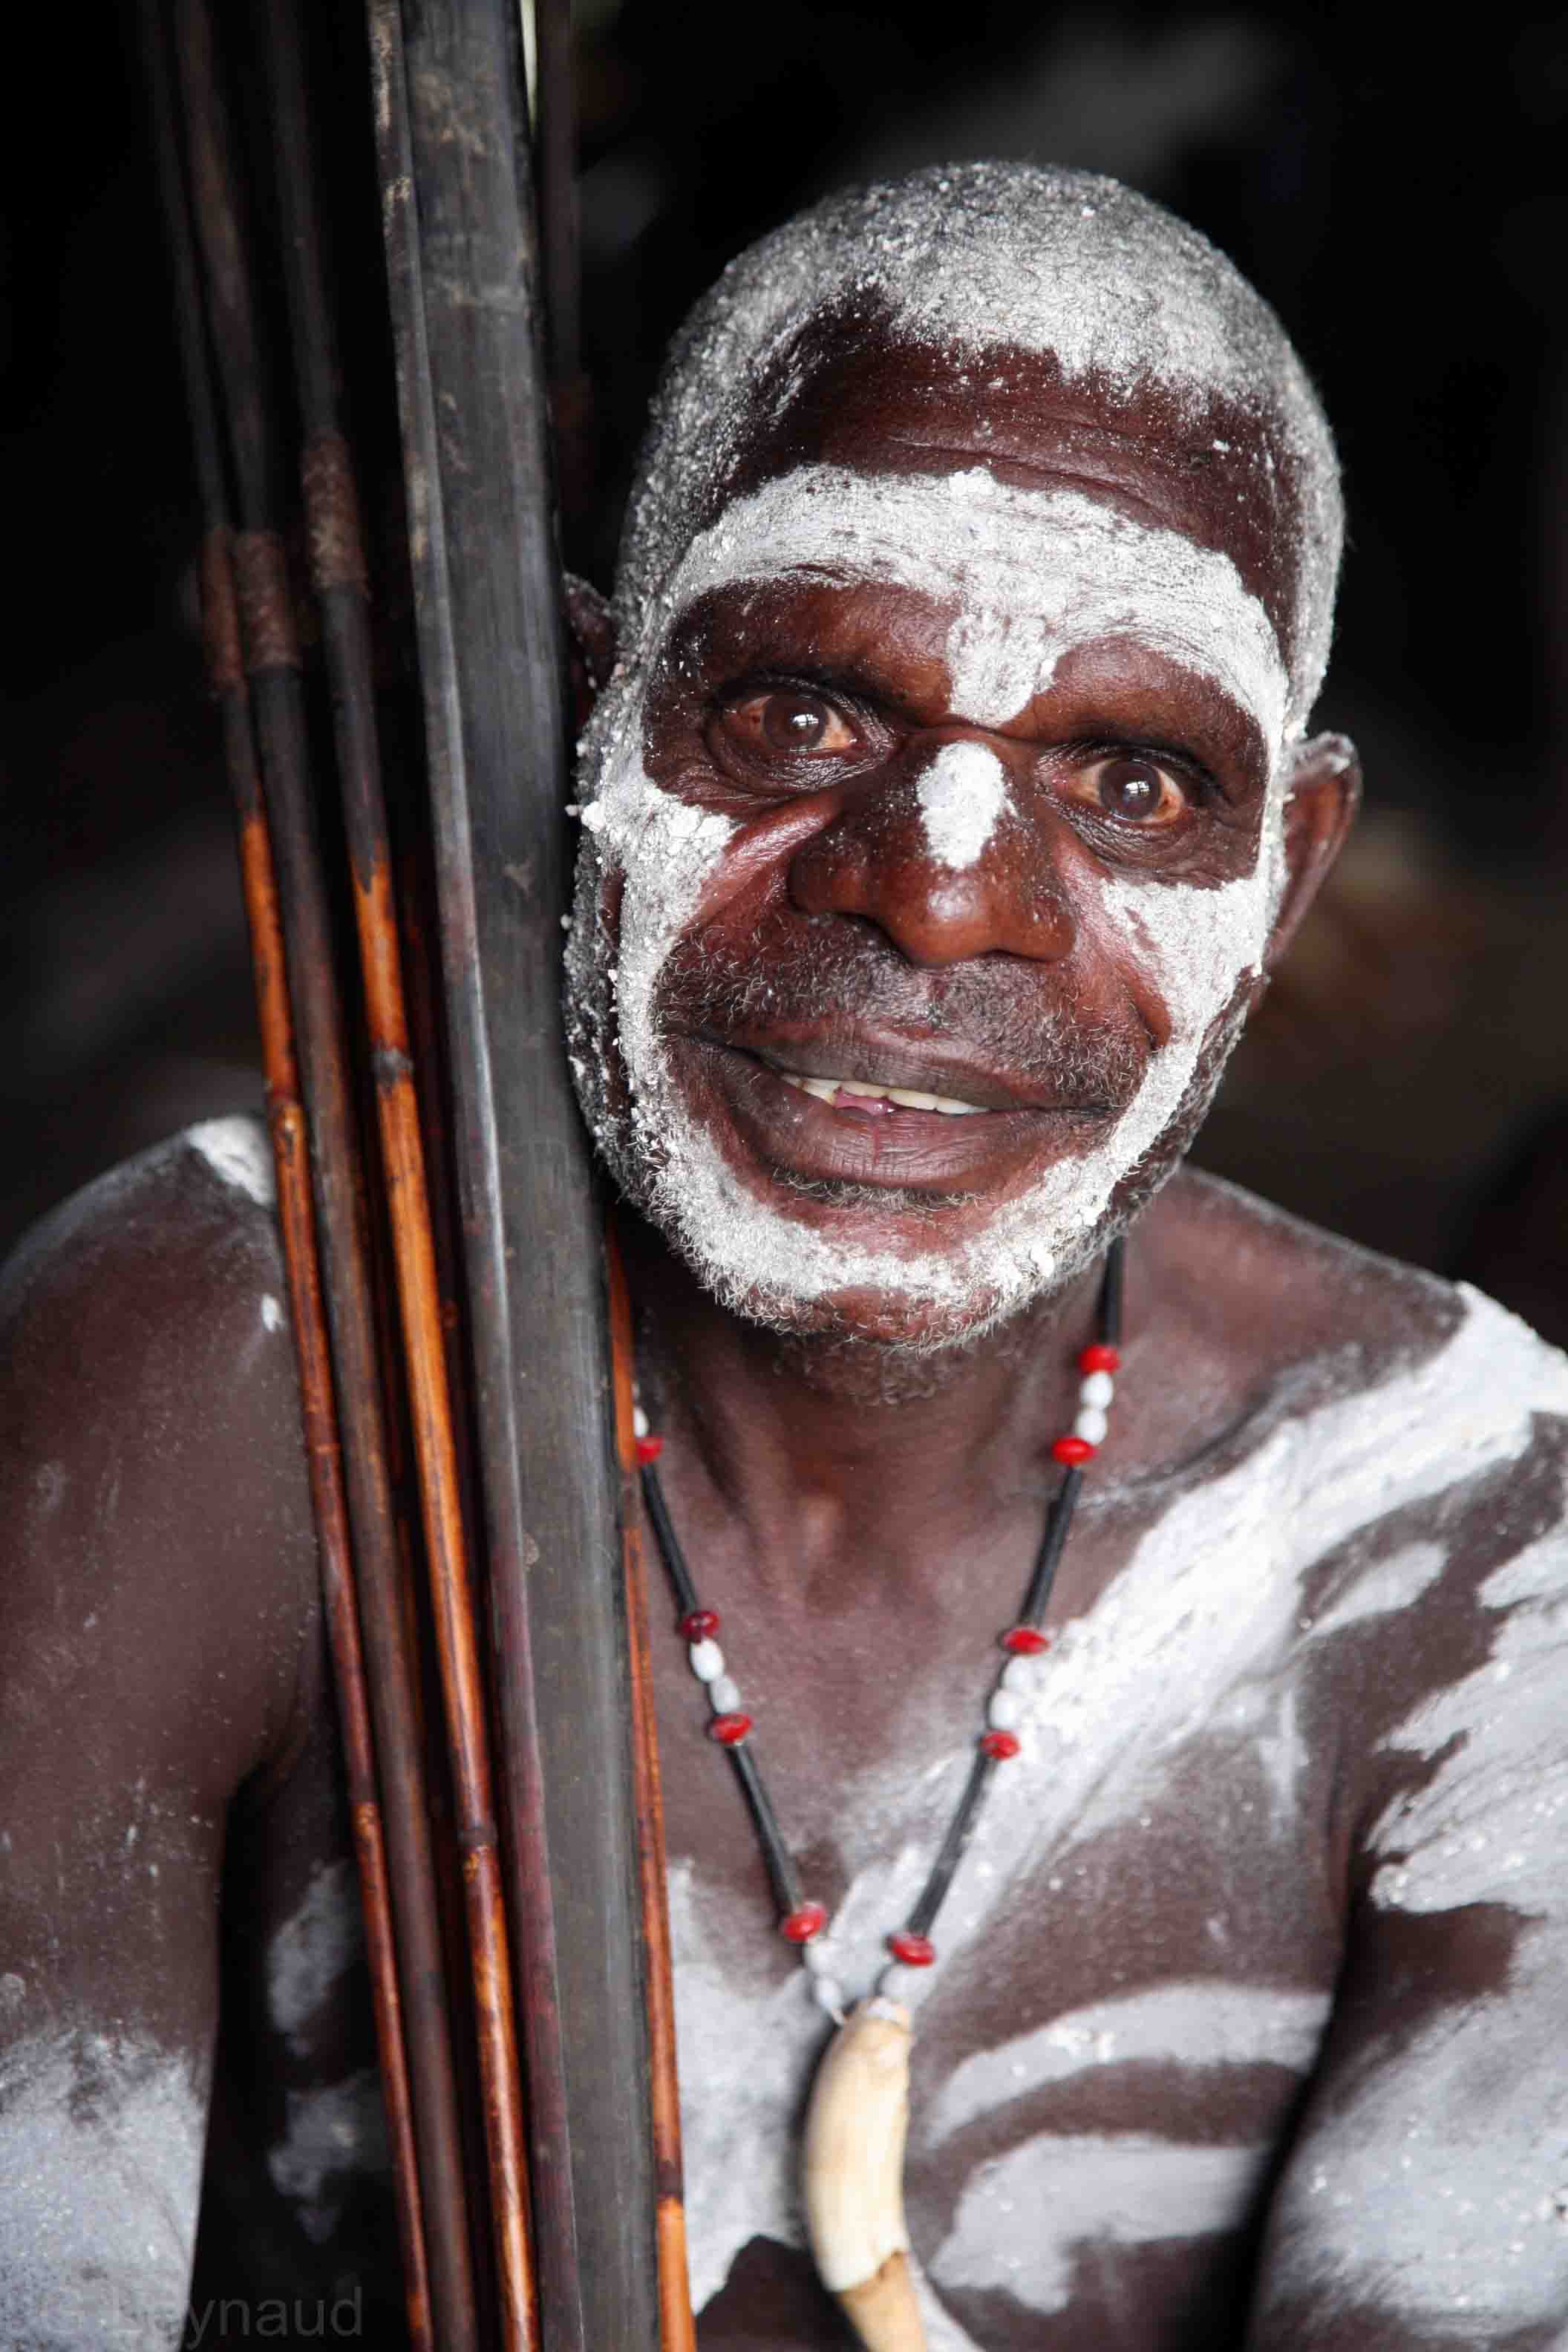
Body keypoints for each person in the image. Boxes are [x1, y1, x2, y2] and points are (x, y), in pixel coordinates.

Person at [3, 160, 1566, 2349]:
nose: (937, 898)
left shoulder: (1464, 1538)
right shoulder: (237, 1356)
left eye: (1125, 781)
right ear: (584, 715)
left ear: (1291, 871)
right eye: (807, 712)